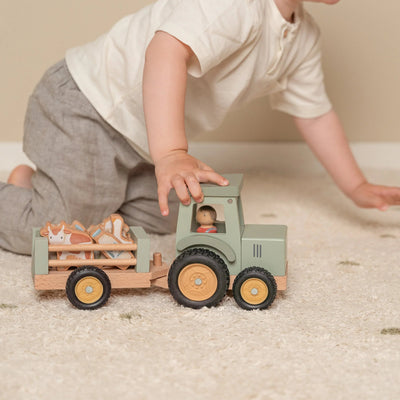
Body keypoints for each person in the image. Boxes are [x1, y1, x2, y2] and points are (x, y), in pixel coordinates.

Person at [2, 0, 400, 255]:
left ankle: (57, 185)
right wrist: (172, 153)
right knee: (60, 235)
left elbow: (313, 112)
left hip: (140, 143)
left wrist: (354, 185)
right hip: (88, 107)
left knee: (186, 217)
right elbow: (165, 50)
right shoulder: (234, 5)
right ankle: (34, 199)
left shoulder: (304, 36)